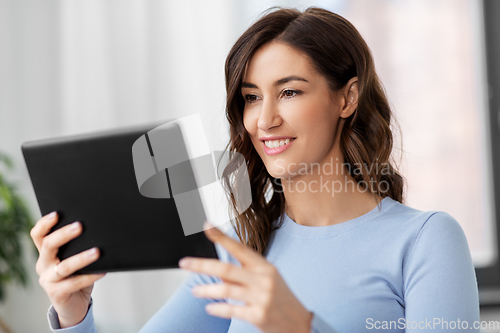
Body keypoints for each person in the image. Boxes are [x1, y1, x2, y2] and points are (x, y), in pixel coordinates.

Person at [30, 7, 480, 333]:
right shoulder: (235, 251)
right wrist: (74, 314)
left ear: (347, 98)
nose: (264, 120)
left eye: (290, 92)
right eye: (250, 97)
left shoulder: (426, 241)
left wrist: (299, 327)